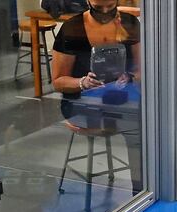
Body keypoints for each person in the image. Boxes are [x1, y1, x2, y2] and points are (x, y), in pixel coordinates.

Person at [51, 0, 143, 194]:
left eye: (110, 6)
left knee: (145, 120)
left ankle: (141, 190)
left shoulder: (130, 24)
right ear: (88, 1)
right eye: (98, 7)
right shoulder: (72, 28)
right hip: (82, 102)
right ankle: (141, 189)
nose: (105, 12)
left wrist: (130, 77)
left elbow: (143, 69)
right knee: (139, 125)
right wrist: (82, 82)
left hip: (120, 98)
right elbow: (58, 81)